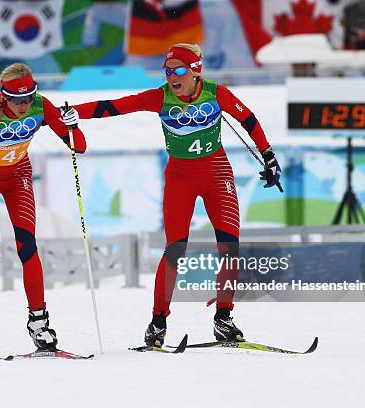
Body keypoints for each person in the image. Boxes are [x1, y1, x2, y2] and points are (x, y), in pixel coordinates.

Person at [60, 43, 281, 346]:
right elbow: (116, 106)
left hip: (217, 174)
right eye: (167, 71)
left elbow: (249, 120)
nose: (172, 77)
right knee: (175, 250)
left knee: (230, 247)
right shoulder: (160, 97)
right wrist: (74, 114)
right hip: (180, 178)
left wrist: (268, 156)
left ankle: (223, 318)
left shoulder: (216, 94)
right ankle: (158, 322)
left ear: (195, 70)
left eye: (179, 70)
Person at [0, 63, 87, 353]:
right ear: (3, 96)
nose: (23, 106)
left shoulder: (40, 106)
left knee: (28, 246)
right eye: (16, 100)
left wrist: (73, 125)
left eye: (28, 98)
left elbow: (78, 146)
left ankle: (39, 323)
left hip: (17, 176)